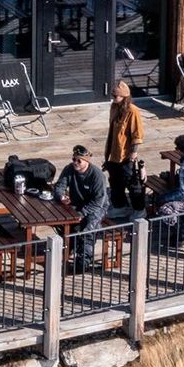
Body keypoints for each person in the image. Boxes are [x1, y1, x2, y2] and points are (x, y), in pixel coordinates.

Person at [57, 145, 110, 271]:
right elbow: (60, 185)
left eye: (78, 160)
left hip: (96, 207)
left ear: (86, 161)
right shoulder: (69, 169)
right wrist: (61, 196)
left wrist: (82, 213)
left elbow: (98, 201)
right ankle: (68, 247)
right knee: (62, 221)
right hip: (76, 204)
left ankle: (84, 260)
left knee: (88, 229)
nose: (75, 162)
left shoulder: (97, 176)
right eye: (73, 159)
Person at [104, 79, 144, 212]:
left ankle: (139, 209)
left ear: (125, 96)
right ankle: (120, 206)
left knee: (132, 182)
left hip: (126, 154)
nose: (114, 98)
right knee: (115, 181)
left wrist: (133, 154)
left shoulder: (133, 111)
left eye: (117, 96)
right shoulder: (114, 107)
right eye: (113, 96)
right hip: (114, 152)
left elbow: (137, 135)